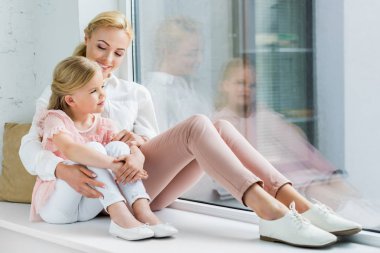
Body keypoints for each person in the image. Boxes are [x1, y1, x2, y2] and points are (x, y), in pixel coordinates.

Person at [20, 11, 360, 248]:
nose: (108, 59)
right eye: (101, 48)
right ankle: (270, 212)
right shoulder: (65, 90)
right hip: (95, 192)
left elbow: (151, 142)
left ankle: (298, 205)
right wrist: (61, 169)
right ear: (87, 40)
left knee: (221, 127)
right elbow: (31, 146)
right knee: (198, 125)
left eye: (119, 53)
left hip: (137, 184)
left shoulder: (136, 93)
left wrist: (137, 146)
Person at [30, 55, 178, 241]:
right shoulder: (55, 119)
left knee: (117, 146)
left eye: (103, 87)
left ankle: (142, 211)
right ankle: (120, 219)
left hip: (89, 206)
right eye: (94, 90)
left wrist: (135, 156)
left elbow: (123, 151)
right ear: (70, 100)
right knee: (93, 148)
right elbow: (71, 150)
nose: (103, 94)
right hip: (57, 208)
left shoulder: (105, 125)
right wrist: (112, 164)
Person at [213, 57, 378, 224]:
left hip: (300, 175)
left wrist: (330, 172)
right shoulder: (222, 122)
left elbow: (300, 147)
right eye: (240, 83)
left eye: (252, 85)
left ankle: (367, 214)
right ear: (224, 85)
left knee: (342, 187)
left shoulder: (263, 115)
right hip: (279, 182)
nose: (247, 89)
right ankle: (360, 220)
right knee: (321, 192)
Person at [143, 16, 211, 132]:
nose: (200, 59)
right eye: (191, 54)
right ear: (166, 52)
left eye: (201, 52)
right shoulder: (154, 93)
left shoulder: (187, 86)